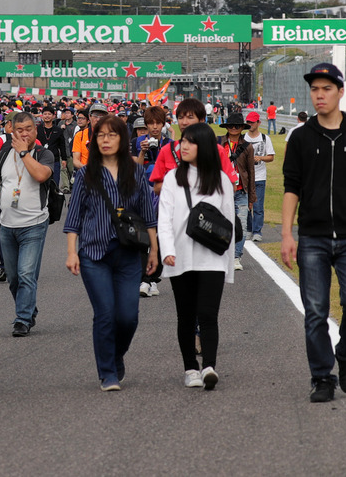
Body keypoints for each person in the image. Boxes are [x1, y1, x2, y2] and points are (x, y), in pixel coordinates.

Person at [279, 63, 346, 403]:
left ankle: (345, 353)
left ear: (340, 92)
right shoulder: (301, 137)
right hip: (312, 236)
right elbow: (291, 187)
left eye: (326, 89)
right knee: (315, 311)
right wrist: (286, 234)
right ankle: (322, 376)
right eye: (314, 89)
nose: (319, 95)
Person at [64, 115, 160, 392]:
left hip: (129, 253)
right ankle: (107, 372)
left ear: (122, 139)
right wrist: (72, 253)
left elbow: (148, 215)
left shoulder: (136, 172)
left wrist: (153, 249)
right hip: (94, 254)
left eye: (112, 135)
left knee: (128, 316)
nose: (105, 140)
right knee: (105, 313)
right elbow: (73, 219)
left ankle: (116, 355)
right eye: (100, 135)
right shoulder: (85, 174)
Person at [159, 123, 237, 390]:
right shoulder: (172, 178)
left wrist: (229, 264)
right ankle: (190, 368)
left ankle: (209, 367)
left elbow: (229, 225)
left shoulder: (221, 179)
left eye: (191, 142)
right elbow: (164, 220)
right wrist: (167, 250)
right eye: (182, 141)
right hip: (179, 258)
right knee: (186, 315)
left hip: (211, 258)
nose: (183, 146)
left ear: (203, 146)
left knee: (208, 314)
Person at [0, 111, 57, 336]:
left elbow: (41, 175)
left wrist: (25, 152)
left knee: (26, 273)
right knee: (13, 277)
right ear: (11, 131)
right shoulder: (4, 153)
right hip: (6, 226)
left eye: (28, 129)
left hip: (34, 224)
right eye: (19, 130)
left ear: (36, 131)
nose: (24, 133)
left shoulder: (44, 154)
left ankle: (22, 319)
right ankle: (28, 308)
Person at [217, 114, 257, 269]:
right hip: (221, 191)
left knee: (241, 225)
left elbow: (251, 172)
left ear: (242, 128)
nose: (233, 128)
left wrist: (251, 198)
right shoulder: (218, 142)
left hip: (241, 191)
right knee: (221, 223)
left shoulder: (248, 147)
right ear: (226, 127)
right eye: (231, 126)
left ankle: (236, 257)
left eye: (237, 126)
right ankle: (221, 253)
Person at [241, 111, 275, 242]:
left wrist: (260, 158)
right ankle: (249, 229)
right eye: (248, 122)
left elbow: (271, 157)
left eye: (252, 122)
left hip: (260, 176)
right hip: (245, 178)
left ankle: (257, 231)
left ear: (258, 123)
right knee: (245, 205)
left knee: (258, 206)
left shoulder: (265, 139)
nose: (249, 124)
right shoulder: (243, 138)